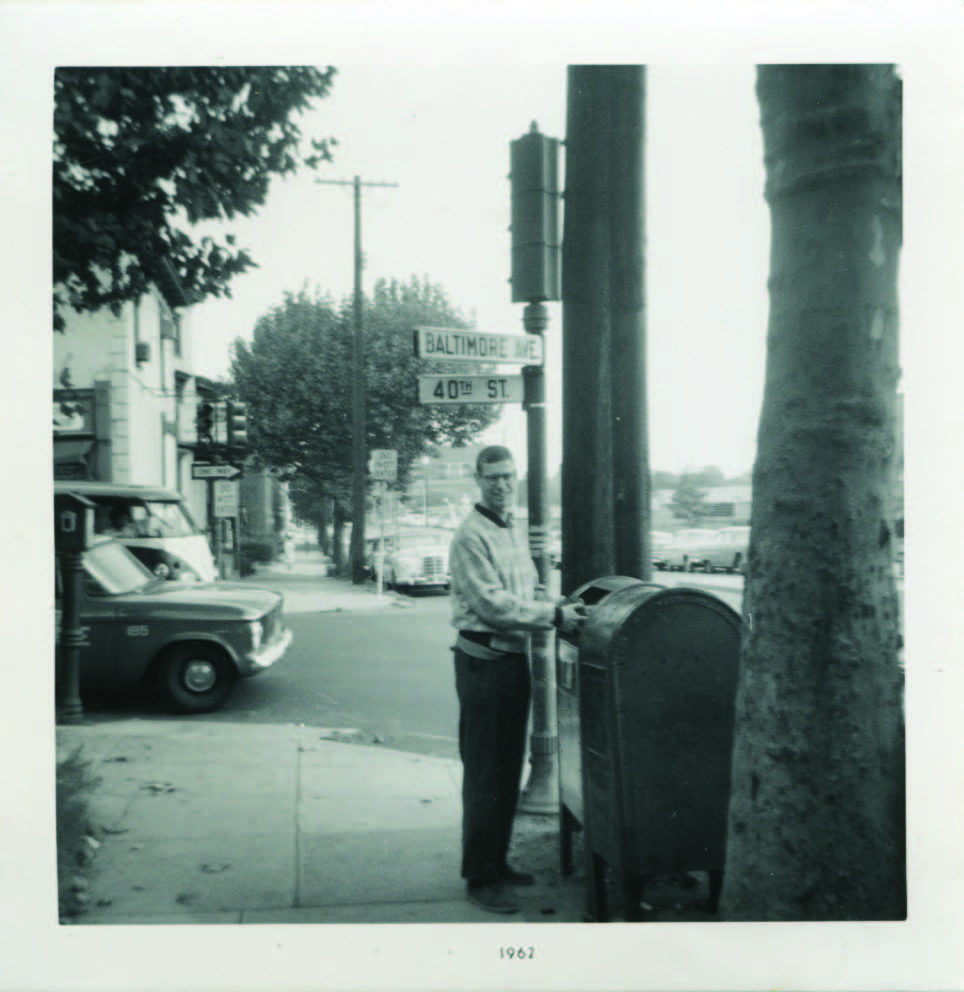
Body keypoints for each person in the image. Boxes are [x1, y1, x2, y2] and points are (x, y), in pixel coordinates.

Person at [448, 445, 587, 914]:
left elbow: (527, 590)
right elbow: (494, 606)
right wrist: (554, 615)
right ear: (478, 479)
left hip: (511, 662)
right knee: (487, 773)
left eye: (508, 476)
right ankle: (480, 878)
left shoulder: (510, 530)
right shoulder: (470, 536)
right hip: (483, 662)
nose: (502, 485)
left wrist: (561, 602)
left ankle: (497, 861)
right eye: (492, 477)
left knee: (508, 772)